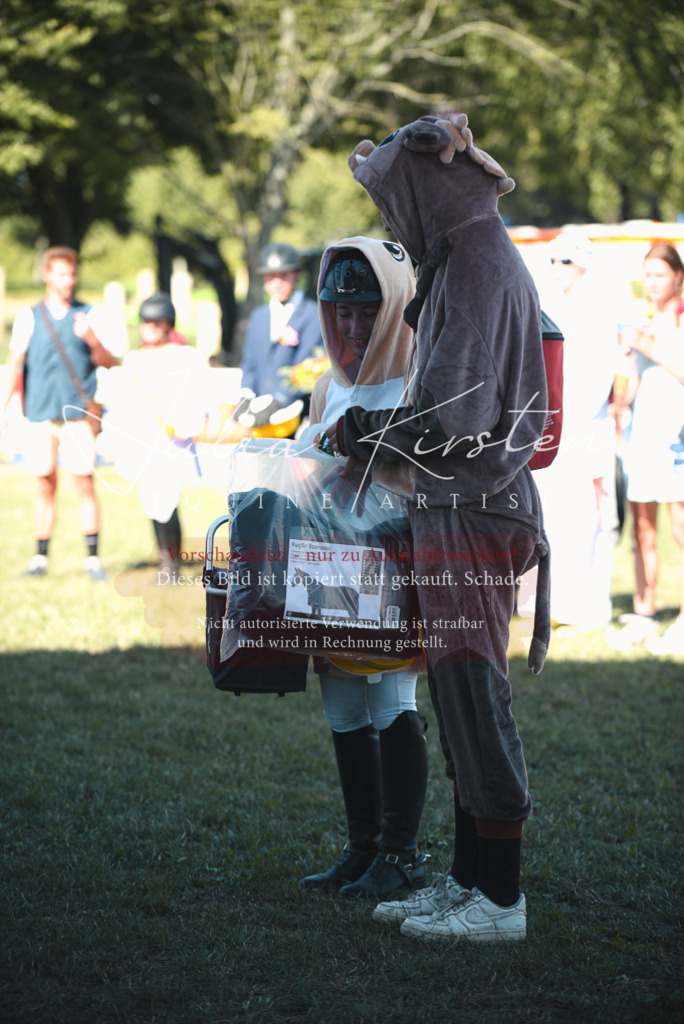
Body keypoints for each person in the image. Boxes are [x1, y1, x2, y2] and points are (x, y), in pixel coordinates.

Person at [323, 114, 553, 942]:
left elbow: (456, 413)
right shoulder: (462, 259)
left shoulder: (482, 262)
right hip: (455, 507)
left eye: (395, 201)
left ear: (429, 187)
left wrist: (359, 437)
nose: (392, 221)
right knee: (456, 703)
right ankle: (464, 882)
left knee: (473, 697)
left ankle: (498, 900)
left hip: (473, 511)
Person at [296, 237, 429, 900]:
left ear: (398, 304)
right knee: (342, 702)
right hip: (328, 563)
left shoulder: (420, 379)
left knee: (390, 699)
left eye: (367, 308)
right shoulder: (327, 384)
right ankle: (362, 848)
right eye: (339, 309)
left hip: (394, 565)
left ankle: (400, 855)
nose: (351, 323)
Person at [518, 230, 619, 631]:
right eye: (553, 261)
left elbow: (596, 379)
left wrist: (567, 419)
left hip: (583, 430)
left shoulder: (597, 309)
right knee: (548, 516)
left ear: (583, 265)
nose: (558, 269)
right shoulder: (551, 306)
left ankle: (584, 605)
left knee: (586, 520)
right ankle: (545, 601)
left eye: (566, 261)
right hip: (555, 427)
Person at [1, 246, 118, 580]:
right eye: (63, 274)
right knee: (44, 485)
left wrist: (92, 340)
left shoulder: (89, 315)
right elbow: (15, 365)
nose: (69, 281)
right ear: (47, 275)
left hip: (77, 414)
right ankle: (40, 558)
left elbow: (109, 361)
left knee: (83, 483)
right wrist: (4, 409)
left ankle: (93, 559)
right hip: (39, 413)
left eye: (73, 274)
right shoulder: (29, 316)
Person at [610, 242, 684, 655]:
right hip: (642, 438)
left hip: (677, 438)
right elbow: (632, 375)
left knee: (679, 531)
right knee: (642, 530)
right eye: (648, 275)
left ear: (678, 275)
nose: (653, 282)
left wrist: (647, 344)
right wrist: (621, 403)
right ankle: (644, 613)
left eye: (660, 274)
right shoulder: (640, 319)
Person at [115, 292, 207, 581]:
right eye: (144, 322)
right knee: (151, 502)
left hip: (170, 441)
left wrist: (183, 426)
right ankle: (165, 559)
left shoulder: (183, 356)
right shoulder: (133, 359)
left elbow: (193, 398)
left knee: (167, 501)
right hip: (143, 438)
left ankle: (172, 565)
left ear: (168, 324)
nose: (148, 327)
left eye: (155, 322)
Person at [238, 243, 325, 436]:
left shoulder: (313, 314)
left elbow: (309, 361)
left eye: (283, 276)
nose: (277, 283)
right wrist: (247, 392)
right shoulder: (258, 316)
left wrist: (280, 398)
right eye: (270, 277)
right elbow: (250, 361)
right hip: (258, 411)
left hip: (295, 411)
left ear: (296, 275)